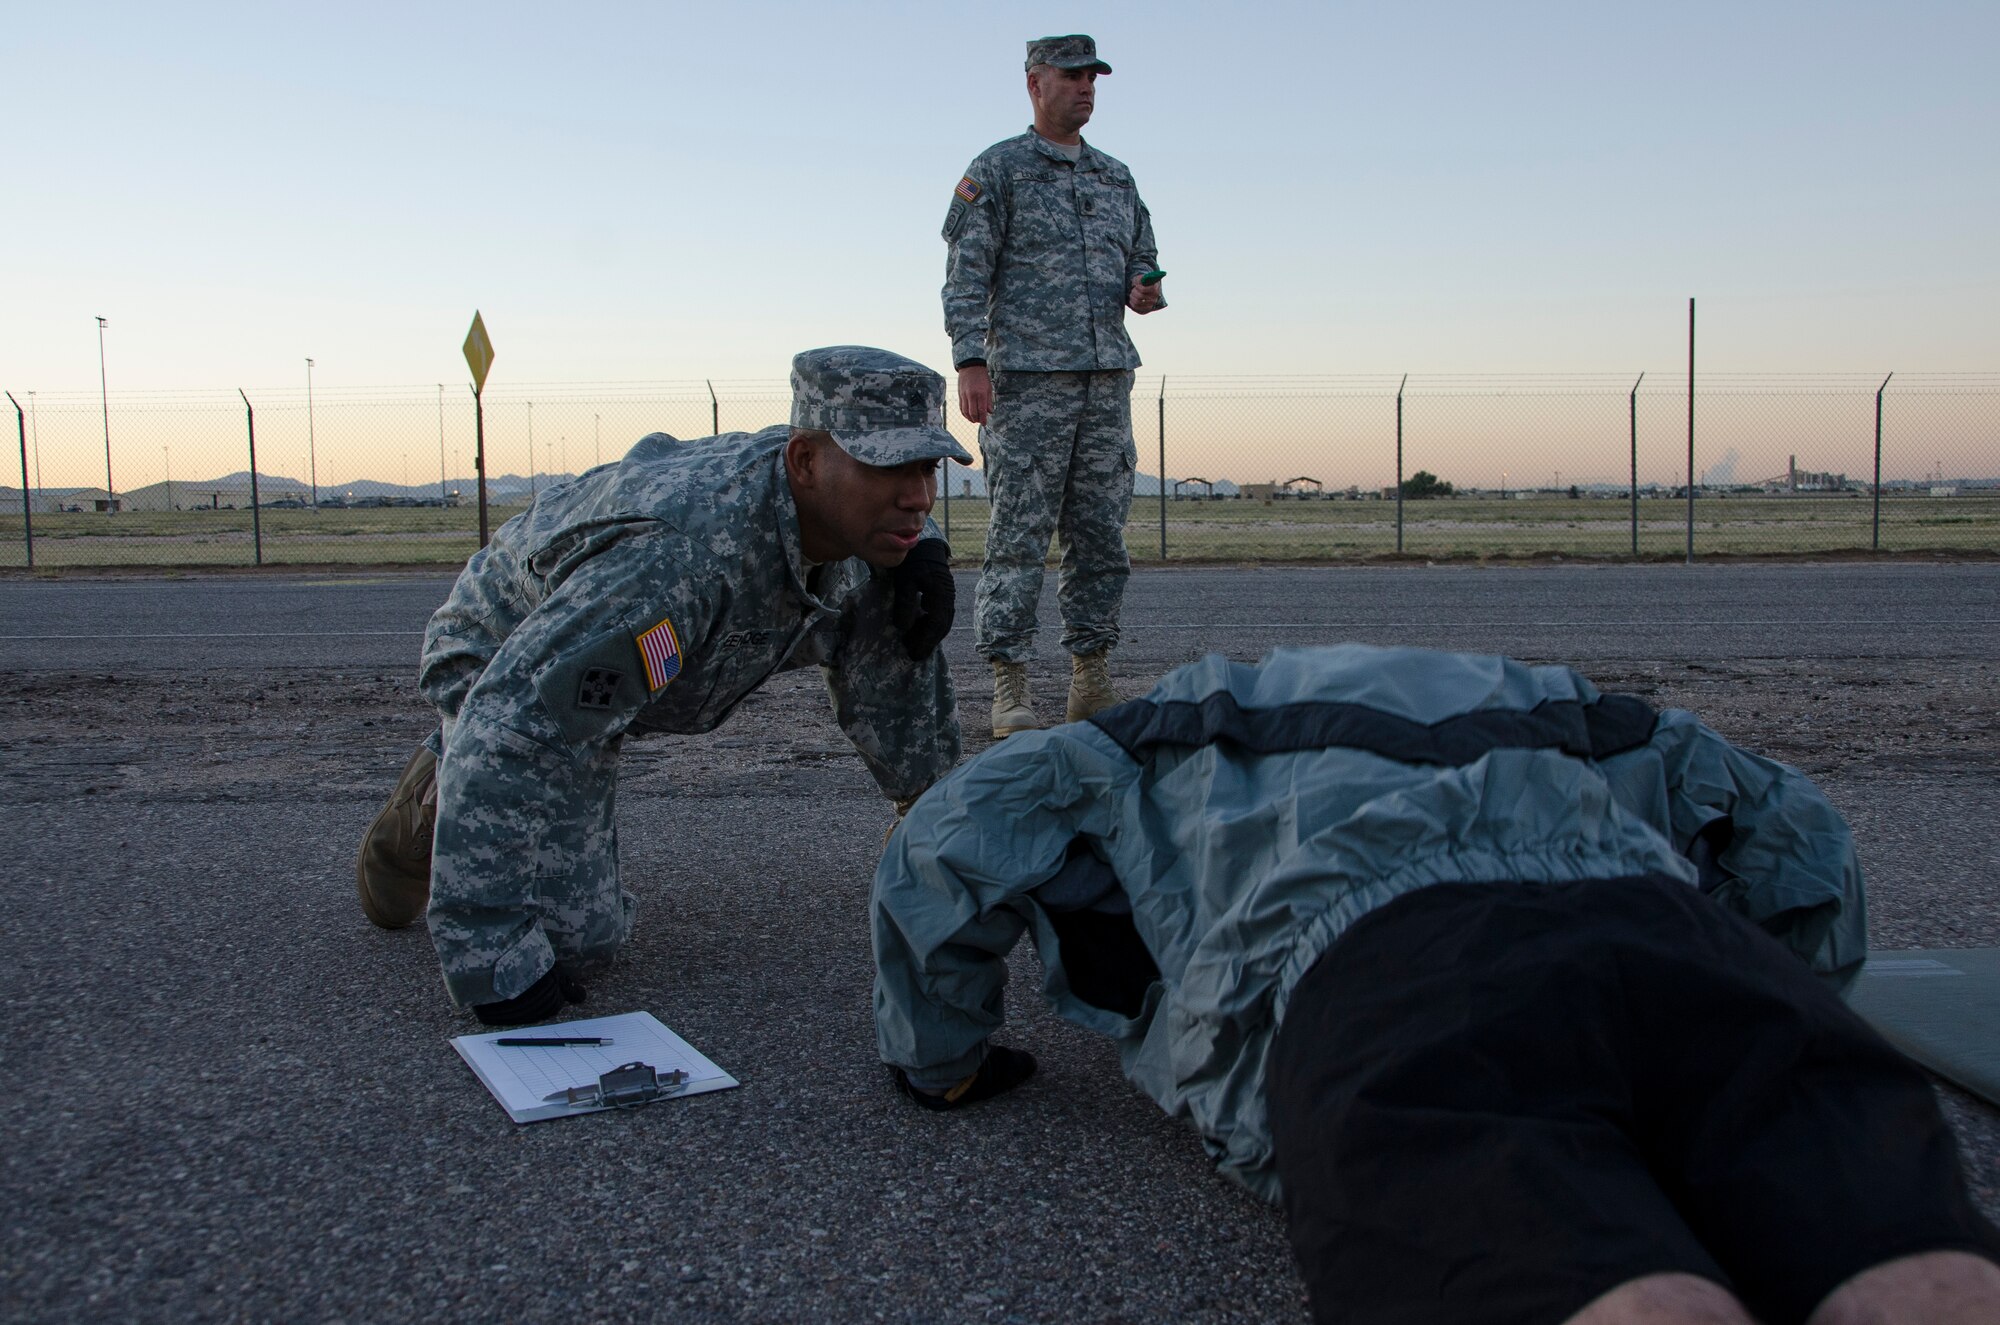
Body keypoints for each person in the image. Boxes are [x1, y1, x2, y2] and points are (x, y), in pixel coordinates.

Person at [871, 645, 2000, 1324]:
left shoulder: (1146, 729)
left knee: (1571, 1274)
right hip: (1660, 926)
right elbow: (1798, 837)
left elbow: (945, 842)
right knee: (1905, 1254)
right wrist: (1790, 1004)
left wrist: (944, 1060)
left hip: (1386, 959)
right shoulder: (1570, 702)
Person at [356, 346, 972, 1027]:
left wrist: (930, 546)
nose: (917, 494)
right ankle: (437, 788)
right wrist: (491, 953)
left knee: (896, 598)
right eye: (891, 466)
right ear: (804, 463)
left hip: (634, 659)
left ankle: (934, 814)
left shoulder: (830, 498)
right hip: (507, 658)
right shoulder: (680, 558)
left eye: (927, 467)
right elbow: (516, 720)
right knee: (577, 944)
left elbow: (871, 492)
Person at [942, 33, 1166, 740]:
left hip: (1104, 384)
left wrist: (1145, 288)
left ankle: (1090, 676)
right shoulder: (998, 171)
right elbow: (966, 273)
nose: (1086, 88)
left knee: (1101, 537)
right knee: (1018, 536)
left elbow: (1147, 259)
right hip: (1026, 385)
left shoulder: (1116, 178)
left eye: (1093, 77)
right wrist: (968, 360)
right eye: (1072, 77)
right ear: (1035, 84)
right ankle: (1009, 685)